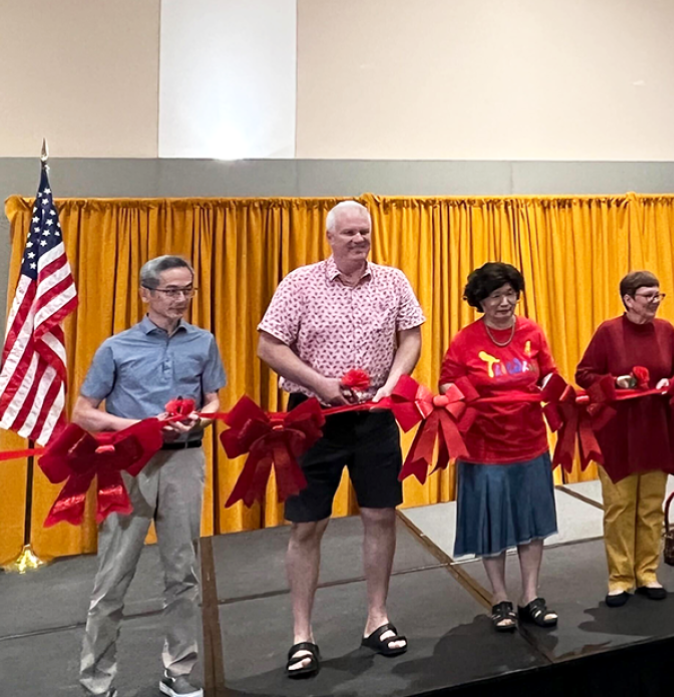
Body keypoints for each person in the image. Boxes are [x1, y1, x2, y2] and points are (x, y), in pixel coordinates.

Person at [258, 200, 424, 678]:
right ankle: (302, 635)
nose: (358, 240)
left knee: (380, 516)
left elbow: (410, 336)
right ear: (329, 237)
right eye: (348, 233)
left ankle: (378, 618)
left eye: (364, 232)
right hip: (313, 418)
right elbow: (269, 345)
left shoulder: (394, 280)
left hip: (374, 418)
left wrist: (394, 384)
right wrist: (318, 382)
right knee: (307, 525)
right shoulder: (300, 283)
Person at [75, 255, 225, 697]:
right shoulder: (116, 347)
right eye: (171, 291)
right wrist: (140, 427)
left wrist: (199, 419)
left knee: (183, 573)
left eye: (187, 291)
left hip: (184, 460)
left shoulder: (203, 342)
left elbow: (214, 402)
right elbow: (84, 412)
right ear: (146, 293)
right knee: (113, 576)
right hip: (129, 466)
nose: (181, 300)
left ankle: (178, 670)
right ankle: (96, 681)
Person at [440, 262, 559, 632]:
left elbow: (549, 373)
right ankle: (500, 598)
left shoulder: (532, 332)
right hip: (485, 449)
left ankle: (530, 596)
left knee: (532, 522)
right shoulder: (465, 340)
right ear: (480, 301)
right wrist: (460, 396)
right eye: (495, 296)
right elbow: (446, 383)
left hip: (530, 443)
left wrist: (558, 390)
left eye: (510, 294)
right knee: (492, 526)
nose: (505, 303)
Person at [576, 271, 674, 605]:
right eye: (647, 296)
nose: (654, 301)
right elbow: (584, 374)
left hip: (656, 428)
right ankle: (620, 578)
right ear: (627, 299)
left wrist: (672, 383)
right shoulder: (608, 332)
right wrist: (615, 381)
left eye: (658, 295)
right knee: (620, 507)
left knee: (651, 508)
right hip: (617, 434)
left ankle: (647, 574)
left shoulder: (666, 331)